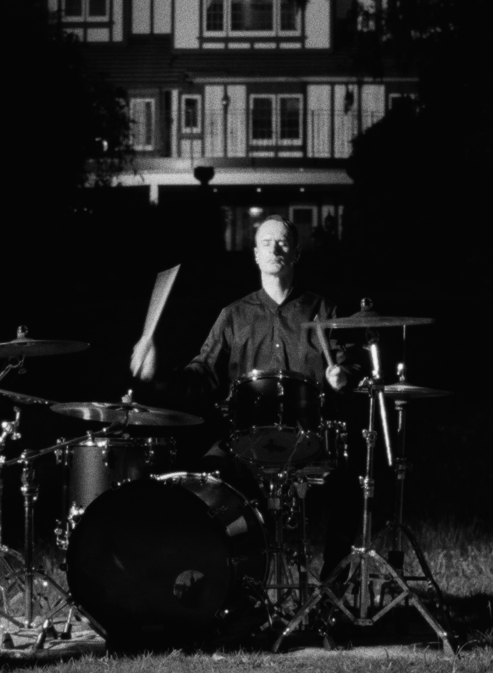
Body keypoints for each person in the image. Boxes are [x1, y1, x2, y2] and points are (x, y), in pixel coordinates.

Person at [130, 214, 356, 571]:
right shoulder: (234, 315)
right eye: (266, 243)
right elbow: (202, 375)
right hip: (245, 440)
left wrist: (343, 376)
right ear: (255, 255)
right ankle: (233, 579)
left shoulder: (322, 311)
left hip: (308, 440)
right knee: (205, 481)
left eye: (282, 242)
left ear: (296, 253)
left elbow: (348, 366)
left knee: (351, 485)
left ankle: (333, 582)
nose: (274, 249)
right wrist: (157, 375)